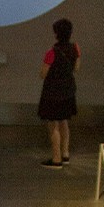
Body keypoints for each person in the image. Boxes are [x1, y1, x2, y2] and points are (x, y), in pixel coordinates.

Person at [38, 18, 79, 167]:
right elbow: (76, 68)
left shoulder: (52, 52)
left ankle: (56, 158)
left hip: (52, 92)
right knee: (64, 121)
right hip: (68, 90)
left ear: (56, 34)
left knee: (53, 124)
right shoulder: (75, 48)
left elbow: (43, 73)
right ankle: (65, 154)